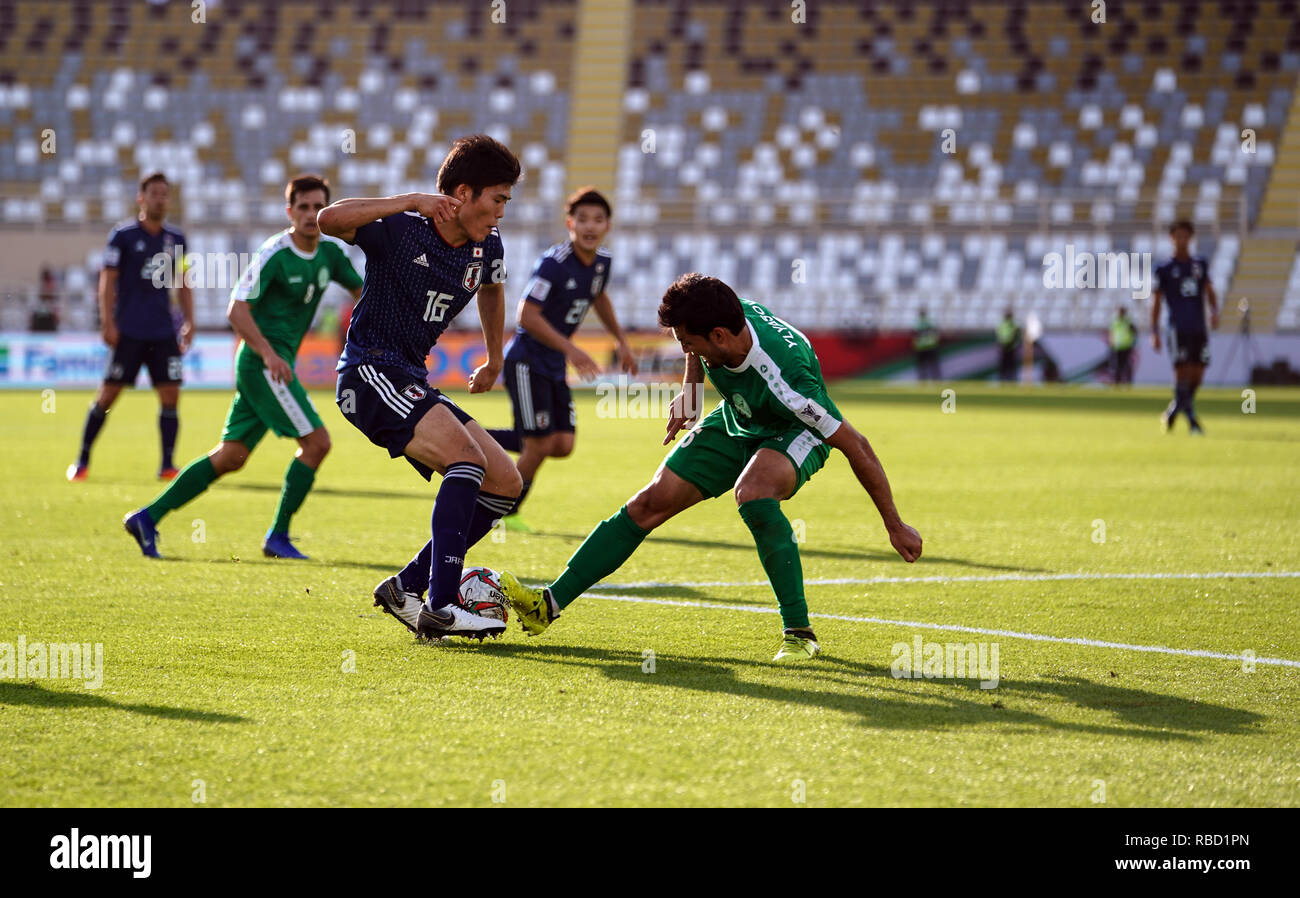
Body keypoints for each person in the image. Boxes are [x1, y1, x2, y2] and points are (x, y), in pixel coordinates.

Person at [498, 274, 922, 661]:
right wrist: (690, 393)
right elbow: (697, 351)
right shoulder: (724, 315)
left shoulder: (791, 383)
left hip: (793, 429)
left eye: (688, 341)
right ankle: (547, 605)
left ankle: (800, 633)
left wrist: (895, 524)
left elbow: (858, 446)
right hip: (739, 417)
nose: (685, 349)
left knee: (753, 494)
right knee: (649, 503)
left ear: (718, 335)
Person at [317, 134, 523, 641]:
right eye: (497, 199)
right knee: (467, 460)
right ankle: (441, 603)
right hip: (368, 371)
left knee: (506, 482)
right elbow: (329, 220)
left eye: (506, 202)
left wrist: (496, 356)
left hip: (410, 374)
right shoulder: (400, 228)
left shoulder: (487, 246)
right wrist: (410, 198)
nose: (501, 212)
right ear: (462, 194)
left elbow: (493, 288)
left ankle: (406, 587)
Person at [122, 175, 362, 559]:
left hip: (272, 367)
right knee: (318, 443)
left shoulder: (330, 255)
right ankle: (278, 536)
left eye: (319, 208)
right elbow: (236, 309)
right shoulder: (274, 253)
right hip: (261, 364)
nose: (311, 214)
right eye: (303, 207)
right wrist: (268, 353)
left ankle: (148, 518)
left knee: (230, 456)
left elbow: (361, 291)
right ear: (290, 211)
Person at [485, 187, 638, 531]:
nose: (590, 226)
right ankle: (501, 514)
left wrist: (622, 341)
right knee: (538, 446)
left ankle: (475, 437)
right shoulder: (553, 264)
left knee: (562, 444)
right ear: (570, 222)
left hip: (552, 364)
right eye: (582, 218)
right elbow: (526, 315)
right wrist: (572, 349)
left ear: (608, 226)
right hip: (527, 362)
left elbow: (599, 297)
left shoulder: (602, 263)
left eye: (598, 219)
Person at [68, 172, 193, 481]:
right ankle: (82, 461)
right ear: (141, 198)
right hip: (129, 331)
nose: (160, 199)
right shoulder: (122, 236)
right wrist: (107, 322)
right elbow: (107, 281)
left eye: (165, 194)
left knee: (170, 395)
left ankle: (167, 464)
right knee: (108, 395)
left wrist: (189, 321)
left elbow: (184, 282)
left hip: (164, 332)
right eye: (154, 193)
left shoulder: (176, 240)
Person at [1151, 220, 1218, 433]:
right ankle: (1192, 421)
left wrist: (1215, 313)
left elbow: (1209, 291)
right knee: (1182, 372)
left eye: (1185, 236)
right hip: (1176, 328)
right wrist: (1154, 331)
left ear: (1190, 238)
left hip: (1198, 327)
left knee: (1198, 374)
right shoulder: (1164, 269)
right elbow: (1156, 301)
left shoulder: (1200, 264)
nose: (1181, 240)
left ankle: (1175, 409)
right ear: (1171, 238)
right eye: (1177, 236)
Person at [1108, 306, 1137, 386]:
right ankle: (1116, 382)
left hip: (1126, 346)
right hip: (1116, 346)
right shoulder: (1115, 321)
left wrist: (1132, 342)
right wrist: (1111, 341)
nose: (1119, 313)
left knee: (1126, 365)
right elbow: (1112, 333)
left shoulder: (1128, 322)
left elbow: (1134, 332)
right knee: (1116, 365)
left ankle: (1128, 382)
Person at [914, 307, 940, 380]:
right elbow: (936, 332)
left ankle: (923, 381)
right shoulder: (930, 321)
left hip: (921, 347)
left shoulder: (916, 323)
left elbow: (915, 335)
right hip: (930, 346)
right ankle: (936, 381)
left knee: (923, 367)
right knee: (933, 366)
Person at [995, 308, 1021, 382]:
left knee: (1011, 365)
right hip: (1004, 347)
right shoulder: (1002, 324)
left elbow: (1017, 335)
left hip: (1012, 347)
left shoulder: (1014, 324)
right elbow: (999, 335)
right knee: (1003, 365)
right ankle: (1002, 379)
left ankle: (1012, 379)